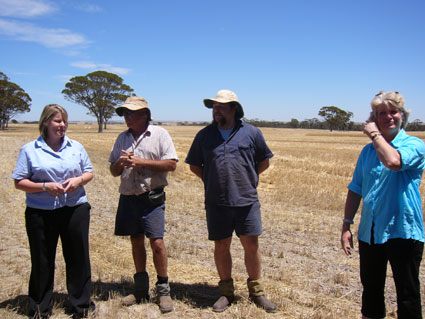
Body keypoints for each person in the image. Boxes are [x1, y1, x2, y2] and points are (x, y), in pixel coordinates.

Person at [185, 89, 277, 313]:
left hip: (247, 201)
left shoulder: (252, 133)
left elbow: (264, 161)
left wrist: (248, 177)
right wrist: (211, 179)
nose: (216, 110)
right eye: (214, 107)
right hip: (216, 202)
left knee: (251, 245)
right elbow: (194, 165)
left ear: (234, 109)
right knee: (221, 245)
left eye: (221, 106)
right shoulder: (204, 135)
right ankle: (226, 293)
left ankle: (257, 292)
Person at [341, 91, 425, 319]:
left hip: (404, 231)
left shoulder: (415, 145)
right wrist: (346, 225)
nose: (389, 117)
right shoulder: (367, 152)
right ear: (374, 118)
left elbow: (393, 161)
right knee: (371, 292)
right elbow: (355, 188)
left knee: (407, 295)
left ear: (402, 115)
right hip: (371, 233)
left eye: (393, 112)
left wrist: (375, 135)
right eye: (382, 113)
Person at [12, 104, 95, 319]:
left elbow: (89, 172)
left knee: (78, 258)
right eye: (58, 121)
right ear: (46, 122)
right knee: (42, 260)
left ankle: (81, 306)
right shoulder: (30, 150)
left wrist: (78, 180)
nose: (62, 125)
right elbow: (19, 182)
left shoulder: (76, 147)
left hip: (75, 209)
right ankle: (40, 307)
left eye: (64, 121)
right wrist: (44, 187)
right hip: (41, 212)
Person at [109, 96, 178, 313]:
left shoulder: (159, 134)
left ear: (144, 115)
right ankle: (140, 290)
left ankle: (163, 290)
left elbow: (171, 164)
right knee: (136, 240)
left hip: (152, 198)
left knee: (157, 243)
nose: (127, 117)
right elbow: (112, 170)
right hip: (129, 196)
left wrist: (140, 161)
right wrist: (120, 163)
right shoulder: (122, 138)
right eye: (125, 114)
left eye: (131, 113)